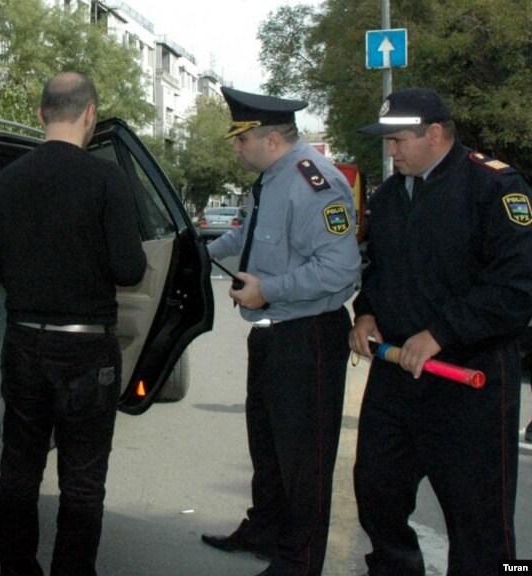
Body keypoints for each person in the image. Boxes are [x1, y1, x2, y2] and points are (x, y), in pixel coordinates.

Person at [349, 87, 532, 575]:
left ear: (434, 134)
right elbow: (379, 269)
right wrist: (365, 311)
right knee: (376, 491)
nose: (390, 151)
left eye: (398, 140)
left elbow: (516, 290)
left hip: (468, 379)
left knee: (479, 520)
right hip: (397, 376)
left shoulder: (493, 189)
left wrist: (442, 332)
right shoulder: (390, 196)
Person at [0, 71, 147, 576]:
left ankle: (16, 567)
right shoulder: (106, 179)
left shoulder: (6, 180)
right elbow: (130, 269)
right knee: (82, 482)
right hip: (86, 351)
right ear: (91, 114)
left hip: (24, 343)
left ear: (40, 114)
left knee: (19, 469)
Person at [202, 86, 362, 576]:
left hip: (308, 336)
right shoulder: (272, 180)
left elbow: (340, 269)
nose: (235, 147)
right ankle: (265, 529)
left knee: (303, 458)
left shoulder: (315, 184)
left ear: (269, 138)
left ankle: (300, 558)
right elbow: (243, 237)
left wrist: (268, 289)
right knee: (268, 446)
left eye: (240, 138)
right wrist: (192, 250)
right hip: (273, 335)